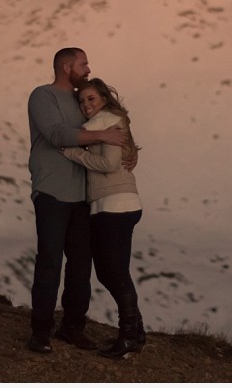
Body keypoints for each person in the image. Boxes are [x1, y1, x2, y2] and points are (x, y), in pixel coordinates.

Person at [26, 48, 128, 354]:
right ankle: (40, 332)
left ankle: (72, 327)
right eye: (83, 64)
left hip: (83, 195)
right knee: (49, 261)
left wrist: (128, 149)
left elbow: (112, 121)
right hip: (52, 191)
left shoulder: (80, 99)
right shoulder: (42, 96)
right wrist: (103, 138)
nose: (88, 68)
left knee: (81, 265)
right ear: (66, 66)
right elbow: (57, 134)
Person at [61, 77, 146, 359]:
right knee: (110, 272)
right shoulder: (106, 123)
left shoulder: (105, 121)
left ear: (104, 101)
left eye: (91, 99)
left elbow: (109, 164)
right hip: (110, 205)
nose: (86, 106)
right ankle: (136, 331)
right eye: (82, 101)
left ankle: (129, 337)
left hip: (116, 205)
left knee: (115, 273)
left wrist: (72, 152)